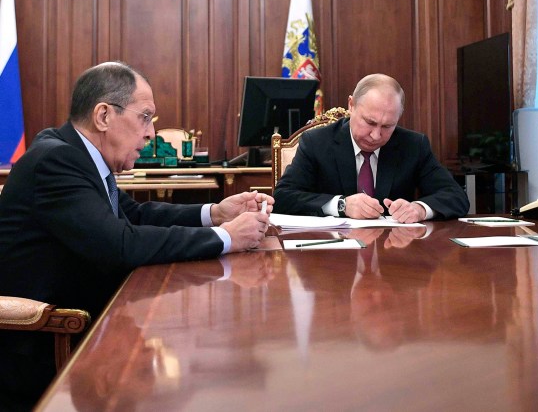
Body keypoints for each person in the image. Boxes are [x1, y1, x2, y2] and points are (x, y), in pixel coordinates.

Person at [0, 61, 273, 410]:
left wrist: (215, 213)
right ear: (103, 116)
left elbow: (136, 215)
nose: (151, 134)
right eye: (145, 118)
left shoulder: (77, 155)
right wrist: (227, 237)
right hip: (45, 344)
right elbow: (121, 244)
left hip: (84, 317)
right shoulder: (58, 162)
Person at [273, 73, 469, 222]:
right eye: (370, 122)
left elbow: (456, 197)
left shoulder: (413, 145)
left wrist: (419, 209)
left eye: (387, 126)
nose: (376, 135)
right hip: (333, 252)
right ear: (351, 105)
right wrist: (341, 205)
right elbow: (283, 197)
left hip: (394, 252)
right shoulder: (316, 142)